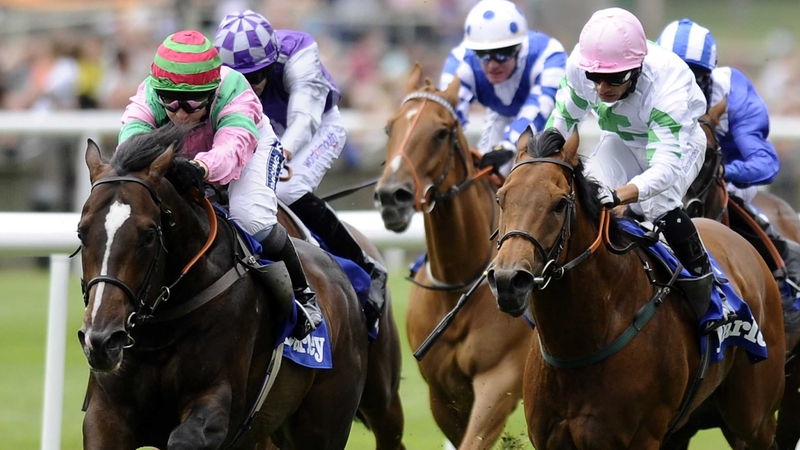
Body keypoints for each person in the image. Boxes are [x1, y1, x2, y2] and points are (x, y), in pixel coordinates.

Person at [118, 30, 321, 340]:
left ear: (212, 92)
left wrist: (201, 167)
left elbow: (233, 148)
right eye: (169, 100)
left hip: (250, 148)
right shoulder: (148, 96)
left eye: (192, 101)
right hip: (187, 157)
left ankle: (303, 292)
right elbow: (129, 145)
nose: (180, 111)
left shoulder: (234, 92)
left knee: (250, 217)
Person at [544, 8, 735, 333]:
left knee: (656, 204)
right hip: (622, 139)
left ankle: (711, 293)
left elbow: (663, 169)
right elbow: (561, 124)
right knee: (589, 197)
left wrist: (620, 195)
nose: (603, 88)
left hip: (681, 146)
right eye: (596, 78)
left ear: (637, 67)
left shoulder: (668, 83)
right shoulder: (581, 63)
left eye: (615, 78)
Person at [213, 11, 387, 331]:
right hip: (261, 133)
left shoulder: (299, 53)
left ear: (272, 59)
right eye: (240, 79)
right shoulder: (214, 75)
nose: (249, 88)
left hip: (318, 128)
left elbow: (304, 120)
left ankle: (367, 267)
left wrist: (281, 155)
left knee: (284, 191)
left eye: (257, 77)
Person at [657, 18, 800, 301]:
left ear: (708, 76)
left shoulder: (734, 92)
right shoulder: (648, 86)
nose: (683, 86)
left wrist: (720, 170)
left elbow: (765, 163)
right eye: (675, 74)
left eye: (693, 77)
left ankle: (787, 279)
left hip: (723, 178)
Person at [440, 0, 566, 176]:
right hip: (501, 116)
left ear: (519, 48)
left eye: (503, 53)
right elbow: (448, 117)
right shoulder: (460, 62)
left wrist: (508, 144)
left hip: (552, 121)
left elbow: (539, 109)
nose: (492, 65)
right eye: (482, 54)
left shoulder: (549, 54)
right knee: (485, 172)